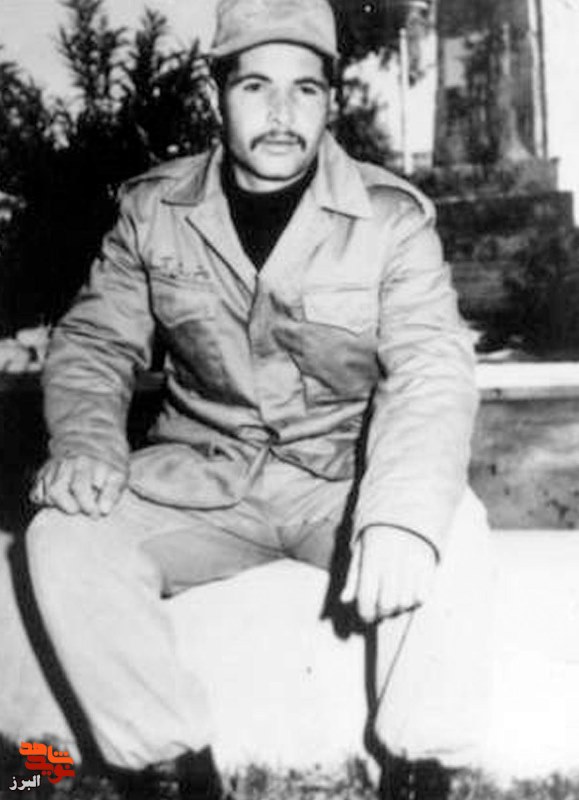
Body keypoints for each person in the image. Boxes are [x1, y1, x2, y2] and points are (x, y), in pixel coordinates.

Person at [0, 0, 492, 797]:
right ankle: (170, 770)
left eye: (305, 89)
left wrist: (401, 516)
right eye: (256, 85)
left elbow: (431, 367)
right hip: (205, 477)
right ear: (216, 95)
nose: (281, 113)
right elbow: (94, 343)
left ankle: (421, 773)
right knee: (64, 535)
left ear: (331, 101)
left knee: (450, 525)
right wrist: (86, 443)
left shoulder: (390, 221)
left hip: (342, 479)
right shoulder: (154, 210)